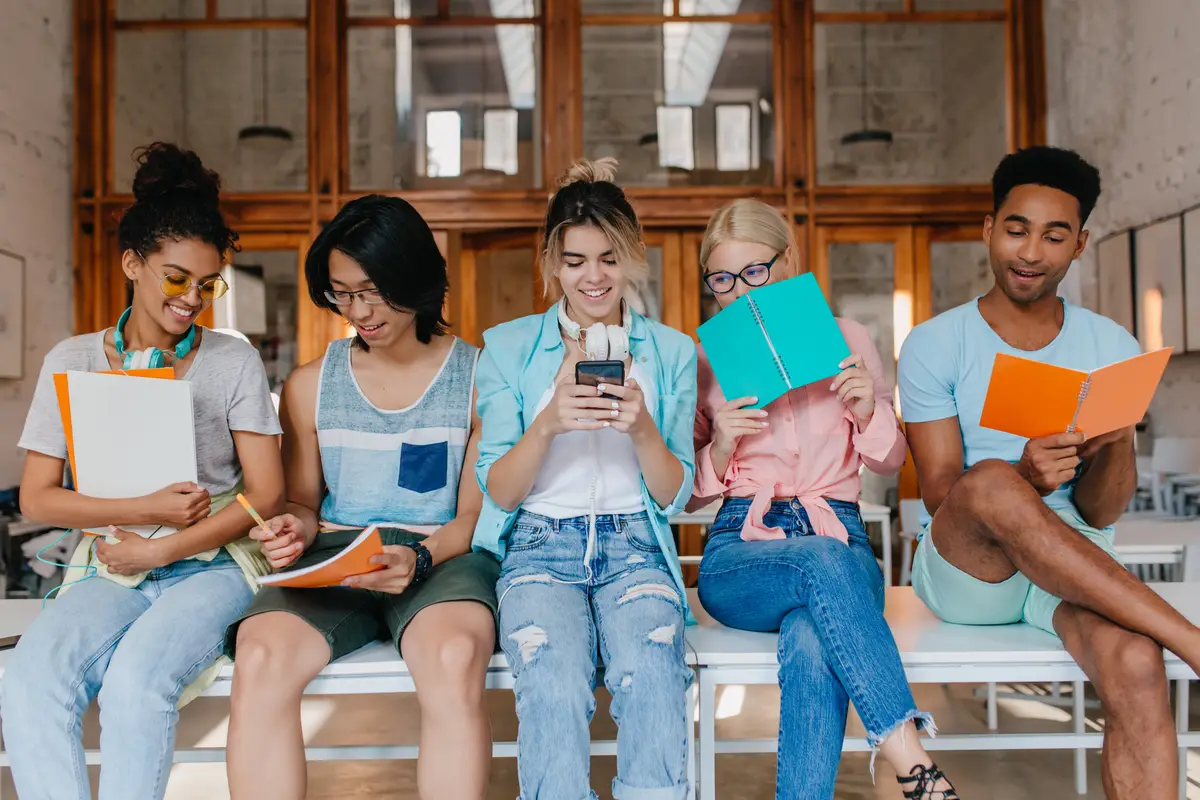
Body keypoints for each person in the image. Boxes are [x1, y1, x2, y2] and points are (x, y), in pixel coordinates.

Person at [900, 145, 1200, 800]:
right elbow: (943, 489)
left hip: (1072, 562)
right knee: (991, 483)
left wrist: (1116, 441)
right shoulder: (934, 342)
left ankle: (1168, 644)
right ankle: (1191, 639)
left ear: (1080, 244)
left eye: (1054, 234)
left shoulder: (1112, 346)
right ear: (989, 230)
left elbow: (1101, 513)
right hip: (971, 570)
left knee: (1136, 662)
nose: (1031, 251)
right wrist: (1027, 475)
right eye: (1016, 229)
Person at [2, 142, 285, 800]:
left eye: (207, 284)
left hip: (215, 565)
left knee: (136, 681)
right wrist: (144, 517)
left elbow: (266, 492)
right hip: (115, 560)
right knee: (32, 676)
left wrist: (169, 543)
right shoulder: (71, 359)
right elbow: (38, 498)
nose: (193, 298)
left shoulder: (231, 361)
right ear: (133, 263)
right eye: (176, 277)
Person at [223, 195, 500, 800]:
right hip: (335, 556)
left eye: (373, 290)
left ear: (417, 278)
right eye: (342, 293)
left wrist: (419, 558)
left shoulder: (480, 378)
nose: (358, 311)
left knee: (454, 657)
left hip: (441, 555)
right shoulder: (308, 384)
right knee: (261, 658)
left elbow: (474, 516)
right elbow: (300, 500)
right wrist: (292, 529)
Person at [691, 198, 958, 800]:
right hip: (742, 550)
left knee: (813, 636)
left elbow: (889, 460)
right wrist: (720, 447)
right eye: (723, 281)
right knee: (819, 562)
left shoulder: (849, 338)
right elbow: (688, 489)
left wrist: (869, 412)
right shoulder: (705, 358)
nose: (741, 294)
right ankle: (911, 759)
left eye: (755, 273)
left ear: (788, 263)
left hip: (839, 533)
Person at [472, 158, 697, 800]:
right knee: (550, 680)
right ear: (552, 263)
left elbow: (672, 494)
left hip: (637, 549)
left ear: (631, 256)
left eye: (607, 257)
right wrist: (547, 424)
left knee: (653, 671)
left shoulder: (673, 352)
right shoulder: (509, 349)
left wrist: (644, 429)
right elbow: (500, 490)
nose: (592, 277)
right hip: (542, 548)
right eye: (575, 260)